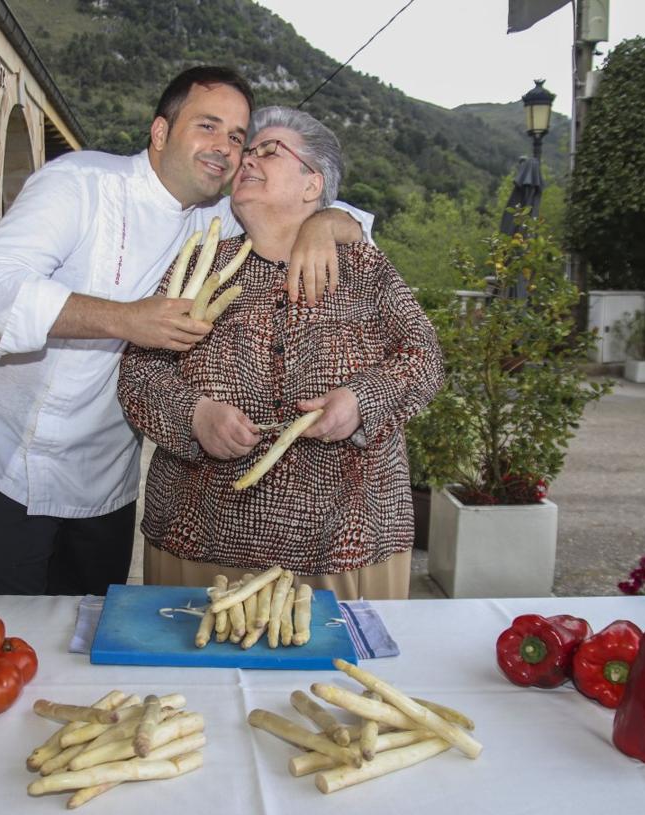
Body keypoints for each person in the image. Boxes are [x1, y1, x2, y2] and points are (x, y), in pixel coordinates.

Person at [0, 68, 373, 596]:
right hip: (2, 460)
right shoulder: (81, 183)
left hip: (104, 473)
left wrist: (322, 225)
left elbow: (336, 211)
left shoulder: (222, 215)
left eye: (238, 137)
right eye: (207, 127)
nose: (225, 148)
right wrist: (126, 319)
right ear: (161, 132)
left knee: (84, 638)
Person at [117, 106, 443, 599]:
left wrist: (360, 402)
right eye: (247, 151)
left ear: (312, 185)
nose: (246, 159)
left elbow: (424, 359)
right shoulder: (200, 265)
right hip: (200, 539)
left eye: (268, 151)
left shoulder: (362, 266)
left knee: (339, 675)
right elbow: (139, 372)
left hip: (341, 545)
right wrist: (195, 415)